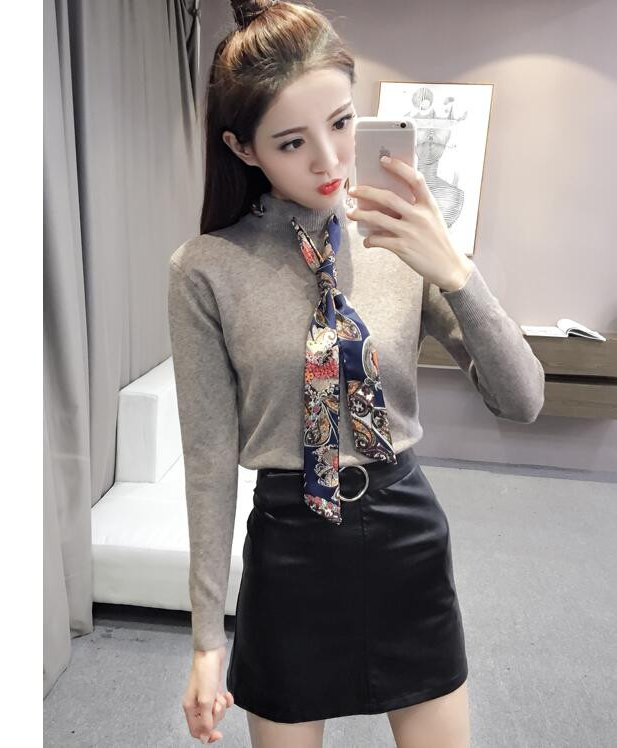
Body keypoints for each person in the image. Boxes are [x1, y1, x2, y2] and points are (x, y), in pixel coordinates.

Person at [167, 1, 545, 746]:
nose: (330, 162)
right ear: (242, 148)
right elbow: (208, 462)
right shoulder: (205, 272)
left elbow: (523, 400)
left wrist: (456, 272)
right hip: (290, 552)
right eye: (291, 142)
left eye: (341, 123)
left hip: (406, 539)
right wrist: (207, 638)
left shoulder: (400, 242)